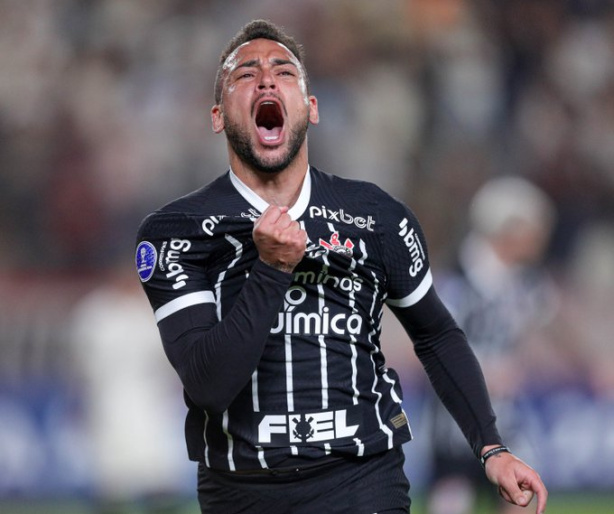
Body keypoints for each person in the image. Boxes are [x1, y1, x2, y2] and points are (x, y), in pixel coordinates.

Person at [135, 19, 547, 514]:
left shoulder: (378, 216)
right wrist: (270, 269)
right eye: (245, 74)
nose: (266, 80)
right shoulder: (177, 230)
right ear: (219, 116)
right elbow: (207, 385)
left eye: (284, 71)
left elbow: (437, 335)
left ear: (310, 109)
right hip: (240, 489)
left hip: (362, 478)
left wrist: (491, 447)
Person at [425, 177, 557, 514]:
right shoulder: (456, 280)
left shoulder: (528, 283)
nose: (540, 234)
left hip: (508, 419)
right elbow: (432, 346)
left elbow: (549, 335)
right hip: (457, 424)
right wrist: (484, 370)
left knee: (524, 499)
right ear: (507, 228)